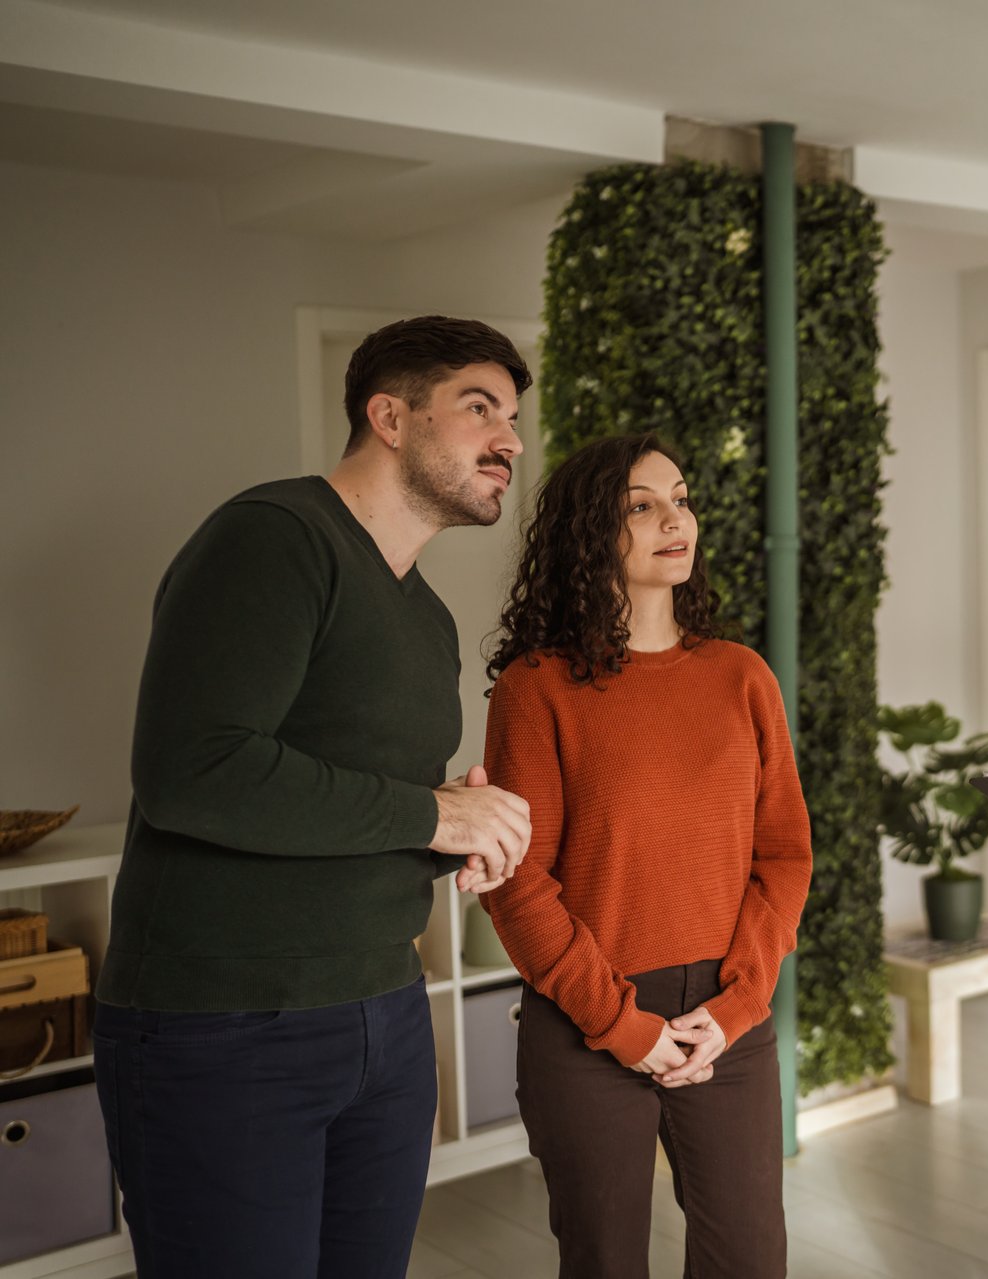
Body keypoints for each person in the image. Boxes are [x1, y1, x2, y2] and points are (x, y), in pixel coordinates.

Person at [92, 315, 539, 1278]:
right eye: (478, 409)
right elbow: (193, 771)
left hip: (383, 1009)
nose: (510, 439)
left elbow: (356, 796)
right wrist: (433, 814)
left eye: (512, 418)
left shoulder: (425, 615)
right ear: (389, 414)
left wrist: (457, 836)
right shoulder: (274, 538)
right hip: (223, 1028)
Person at [480, 432, 812, 1278]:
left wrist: (737, 1007)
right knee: (603, 1263)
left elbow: (784, 856)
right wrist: (622, 1027)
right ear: (592, 533)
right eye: (642, 505)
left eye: (683, 498)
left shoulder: (742, 677)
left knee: (750, 1258)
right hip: (586, 1024)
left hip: (724, 1019)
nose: (677, 520)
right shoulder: (537, 685)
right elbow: (520, 884)